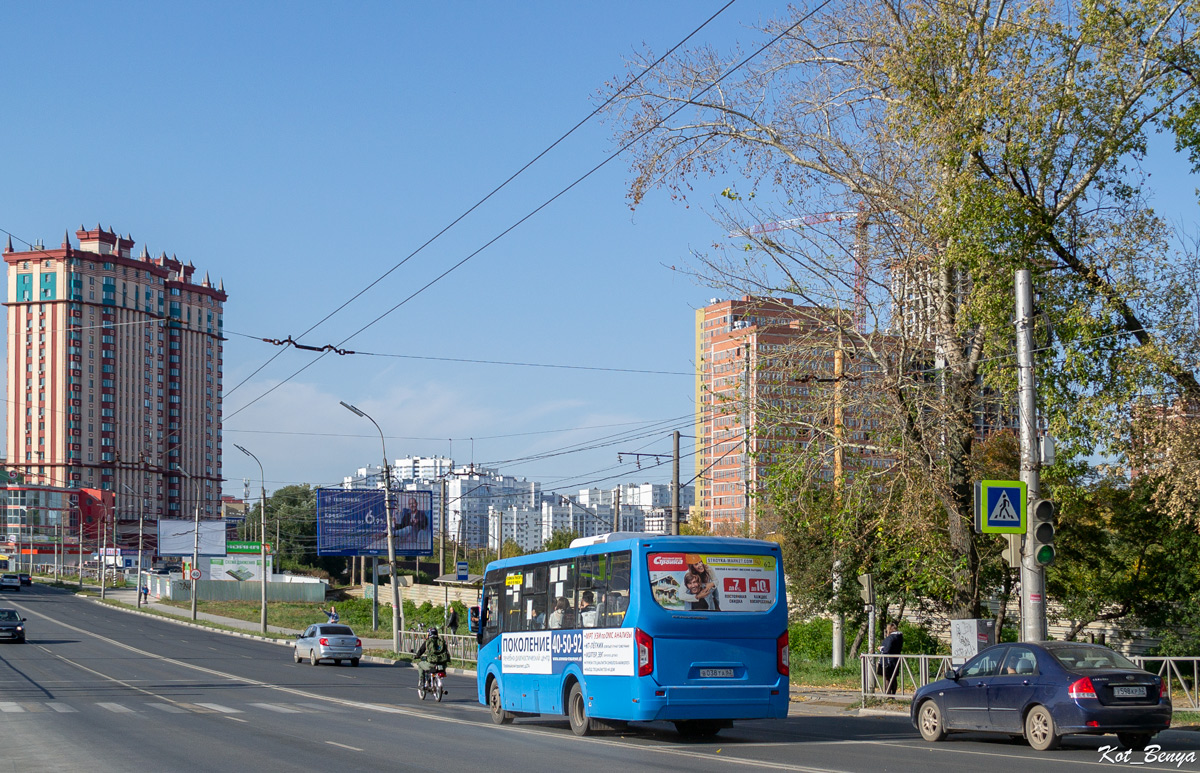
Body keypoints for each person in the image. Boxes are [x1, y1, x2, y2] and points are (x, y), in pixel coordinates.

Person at [879, 622, 904, 695]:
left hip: (888, 660)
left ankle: (888, 695)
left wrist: (881, 649)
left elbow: (887, 649)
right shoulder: (899, 637)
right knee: (894, 678)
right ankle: (893, 694)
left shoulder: (890, 638)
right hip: (896, 659)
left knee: (887, 678)